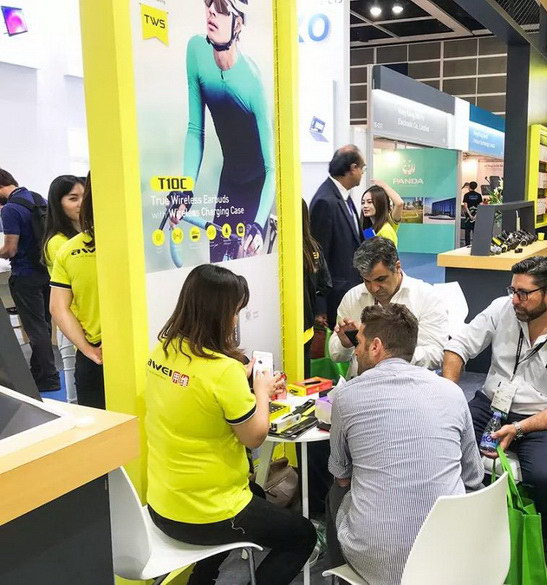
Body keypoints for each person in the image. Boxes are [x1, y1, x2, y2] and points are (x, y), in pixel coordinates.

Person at [145, 264, 316, 585]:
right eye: (236, 311)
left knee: (257, 493)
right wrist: (261, 392)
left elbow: (198, 396)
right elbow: (254, 436)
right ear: (220, 314)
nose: (236, 320)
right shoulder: (224, 372)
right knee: (302, 535)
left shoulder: (162, 352)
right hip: (207, 513)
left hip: (162, 504)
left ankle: (202, 579)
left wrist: (244, 377)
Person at [442, 256, 547, 567]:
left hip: (545, 419)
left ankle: (544, 533)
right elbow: (458, 346)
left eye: (523, 293)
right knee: (438, 445)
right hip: (491, 405)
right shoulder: (502, 309)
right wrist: (447, 394)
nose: (514, 299)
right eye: (512, 290)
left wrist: (519, 428)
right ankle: (456, 520)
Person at [327, 303, 483, 585]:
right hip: (451, 556)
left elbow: (341, 474)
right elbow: (472, 476)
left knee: (336, 493)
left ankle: (341, 575)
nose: (356, 351)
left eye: (359, 343)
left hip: (378, 563)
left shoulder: (346, 396)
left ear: (376, 346)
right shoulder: (452, 392)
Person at [179, 0, 276, 262]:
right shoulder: (196, 50)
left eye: (221, 8)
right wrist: (186, 190)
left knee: (245, 271)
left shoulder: (252, 80)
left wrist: (258, 224)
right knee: (217, 268)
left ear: (238, 23)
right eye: (208, 3)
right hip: (230, 180)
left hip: (257, 186)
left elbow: (271, 167)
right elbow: (195, 129)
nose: (211, 11)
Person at [329, 237, 448, 378]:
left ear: (397, 267)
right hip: (359, 383)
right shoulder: (352, 297)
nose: (373, 288)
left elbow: (437, 354)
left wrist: (390, 357)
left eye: (381, 279)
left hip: (408, 384)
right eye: (366, 281)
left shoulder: (427, 297)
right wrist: (346, 344)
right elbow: (336, 356)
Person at [0, 168, 60, 393]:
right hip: (46, 271)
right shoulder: (37, 198)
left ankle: (49, 378)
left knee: (35, 330)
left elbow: (10, 249)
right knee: (43, 326)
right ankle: (39, 373)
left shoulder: (10, 209)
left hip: (25, 275)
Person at [50, 175, 104, 408]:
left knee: (100, 421)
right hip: (133, 348)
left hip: (93, 348)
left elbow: (57, 307)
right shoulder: (63, 246)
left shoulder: (69, 249)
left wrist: (87, 349)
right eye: (73, 198)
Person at [310, 145, 366, 328]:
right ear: (353, 168)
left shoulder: (344, 197)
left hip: (350, 289)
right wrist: (320, 305)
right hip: (335, 296)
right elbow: (317, 256)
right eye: (363, 168)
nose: (362, 173)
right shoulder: (325, 201)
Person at [42, 175, 85, 403]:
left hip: (88, 318)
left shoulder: (85, 235)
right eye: (73, 198)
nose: (81, 203)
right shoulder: (58, 242)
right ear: (58, 204)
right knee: (74, 391)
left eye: (84, 196)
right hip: (72, 319)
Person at [302, 199, 331, 378]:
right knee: (303, 375)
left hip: (289, 327)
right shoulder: (313, 248)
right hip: (308, 326)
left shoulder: (282, 251)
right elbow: (325, 284)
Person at [360, 179, 403, 246]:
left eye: (369, 202)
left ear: (380, 203)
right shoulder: (368, 228)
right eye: (363, 202)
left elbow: (399, 203)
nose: (365, 206)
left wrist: (384, 185)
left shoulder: (388, 226)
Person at [461, 181, 482, 246]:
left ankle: (467, 245)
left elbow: (465, 206)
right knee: (475, 232)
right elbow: (480, 206)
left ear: (469, 186)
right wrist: (475, 215)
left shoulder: (466, 195)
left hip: (468, 217)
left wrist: (470, 215)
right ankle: (476, 245)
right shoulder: (478, 195)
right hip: (476, 216)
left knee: (467, 231)